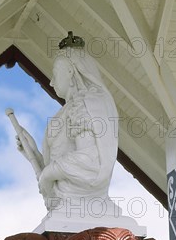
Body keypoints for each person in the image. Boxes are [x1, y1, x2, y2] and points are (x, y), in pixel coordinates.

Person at [15, 39, 119, 214]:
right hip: (64, 208)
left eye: (55, 74)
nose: (51, 82)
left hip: (85, 210)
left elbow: (91, 162)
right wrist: (36, 157)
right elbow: (59, 169)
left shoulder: (88, 104)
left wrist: (47, 174)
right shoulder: (68, 109)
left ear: (71, 71)